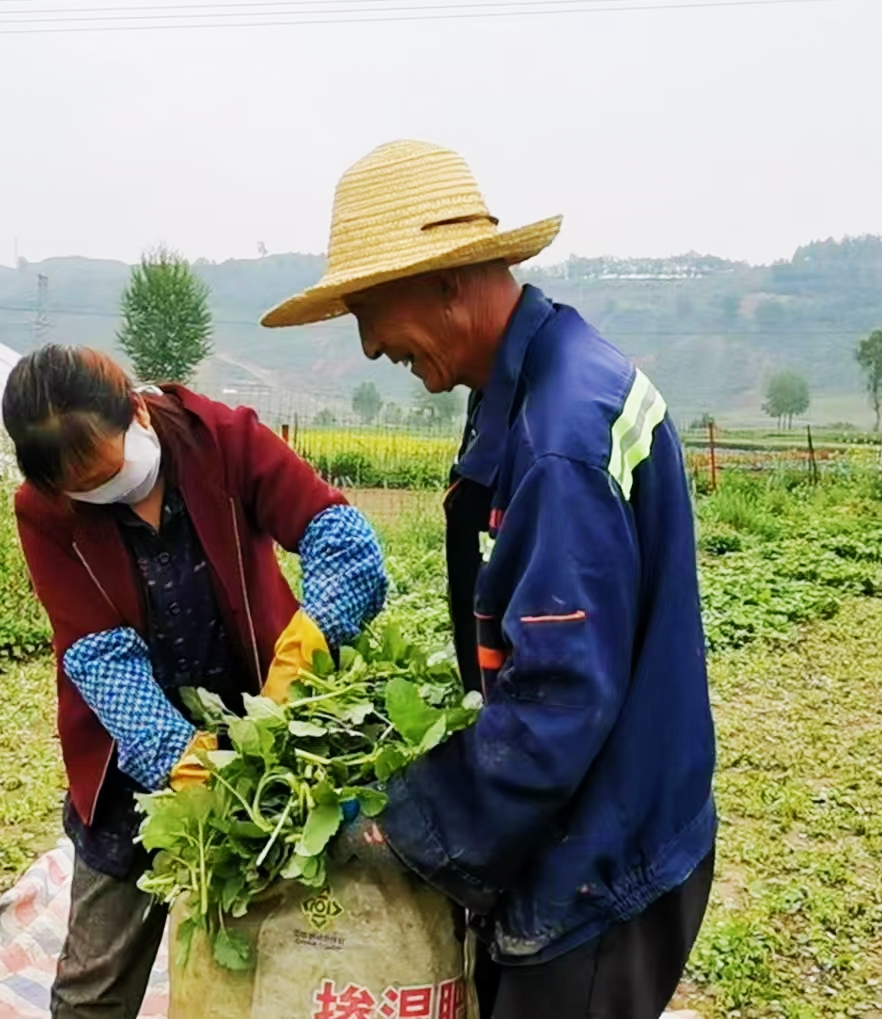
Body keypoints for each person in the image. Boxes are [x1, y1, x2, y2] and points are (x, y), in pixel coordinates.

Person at [262, 140, 718, 1019]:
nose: (365, 346)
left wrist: (399, 821)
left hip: (600, 855)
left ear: (447, 282)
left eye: (368, 308)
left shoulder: (558, 435)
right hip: (601, 811)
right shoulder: (533, 380)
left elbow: (555, 699)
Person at [2, 346, 387, 1019]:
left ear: (137, 410)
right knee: (94, 982)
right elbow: (97, 653)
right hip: (133, 758)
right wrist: (179, 759)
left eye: (110, 468)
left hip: (266, 725)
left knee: (277, 932)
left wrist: (312, 639)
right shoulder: (44, 513)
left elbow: (341, 540)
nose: (104, 491)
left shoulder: (224, 440)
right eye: (83, 488)